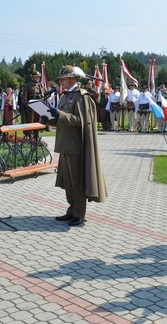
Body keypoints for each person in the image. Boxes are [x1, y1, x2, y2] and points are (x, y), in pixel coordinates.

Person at [41, 65, 107, 227]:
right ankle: (72, 209)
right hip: (64, 144)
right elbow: (61, 120)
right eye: (61, 80)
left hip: (76, 145)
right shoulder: (65, 96)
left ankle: (79, 212)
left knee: (77, 181)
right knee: (68, 181)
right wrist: (47, 118)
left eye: (63, 79)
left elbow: (82, 121)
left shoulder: (82, 96)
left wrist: (61, 115)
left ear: (73, 78)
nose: (61, 82)